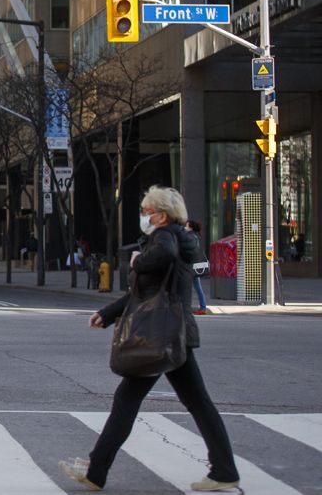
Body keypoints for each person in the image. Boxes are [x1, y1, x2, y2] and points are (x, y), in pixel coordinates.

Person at [59, 186, 239, 493]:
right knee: (197, 402)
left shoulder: (164, 236)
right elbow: (145, 293)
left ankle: (96, 471)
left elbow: (156, 265)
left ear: (162, 214)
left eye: (147, 211)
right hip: (174, 331)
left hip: (160, 334)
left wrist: (137, 261)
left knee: (129, 398)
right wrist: (110, 312)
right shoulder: (180, 238)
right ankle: (223, 471)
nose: (143, 216)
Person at [187, 220, 208, 315]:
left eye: (186, 225)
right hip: (193, 266)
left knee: (189, 287)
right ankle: (202, 308)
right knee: (197, 287)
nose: (184, 227)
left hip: (190, 266)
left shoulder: (190, 236)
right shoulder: (194, 236)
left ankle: (202, 308)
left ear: (190, 227)